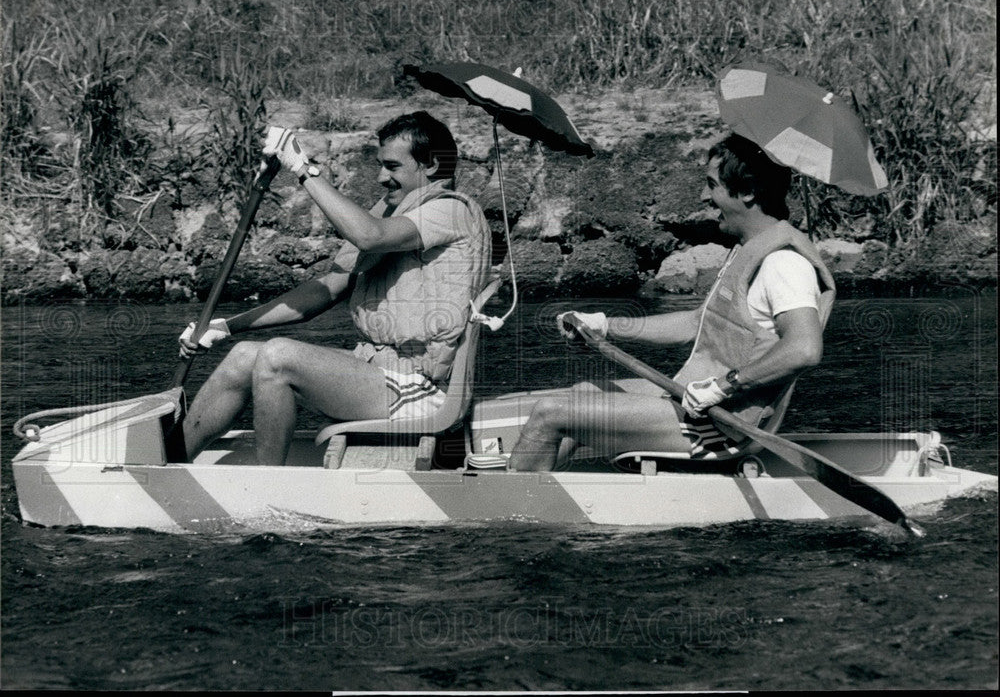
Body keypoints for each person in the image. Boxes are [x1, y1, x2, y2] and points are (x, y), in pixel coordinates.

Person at [178, 111, 491, 465]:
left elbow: (369, 237)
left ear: (431, 166)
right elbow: (326, 289)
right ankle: (169, 465)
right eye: (380, 165)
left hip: (424, 389)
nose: (380, 177)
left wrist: (303, 169)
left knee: (277, 358)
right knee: (244, 356)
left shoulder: (450, 211)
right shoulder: (393, 212)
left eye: (392, 166)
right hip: (383, 371)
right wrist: (228, 326)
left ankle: (267, 490)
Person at [509, 133, 836, 471]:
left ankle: (509, 510)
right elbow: (696, 323)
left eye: (712, 184)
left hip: (720, 426)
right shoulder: (748, 250)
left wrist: (723, 387)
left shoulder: (784, 264)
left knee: (551, 413)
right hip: (700, 407)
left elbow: (804, 348)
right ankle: (540, 485)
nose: (704, 195)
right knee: (582, 392)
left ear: (748, 191)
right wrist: (605, 324)